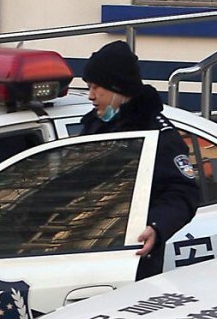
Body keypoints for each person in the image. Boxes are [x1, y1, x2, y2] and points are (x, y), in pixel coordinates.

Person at [80, 40, 200, 279]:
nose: (90, 96)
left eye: (96, 88)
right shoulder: (95, 124)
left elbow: (182, 193)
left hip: (131, 256)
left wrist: (156, 227)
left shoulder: (159, 136)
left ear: (118, 88)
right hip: (86, 247)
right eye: (88, 87)